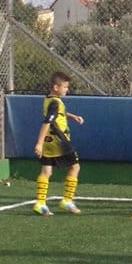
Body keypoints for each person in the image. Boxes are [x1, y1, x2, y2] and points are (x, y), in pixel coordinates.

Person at [32, 71, 84, 216]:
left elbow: (56, 114)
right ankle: (67, 200)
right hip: (59, 141)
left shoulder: (49, 99)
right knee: (75, 167)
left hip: (49, 141)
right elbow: (47, 122)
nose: (67, 89)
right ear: (56, 87)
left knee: (46, 171)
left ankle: (40, 204)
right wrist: (38, 143)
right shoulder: (56, 102)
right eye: (65, 87)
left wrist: (72, 117)